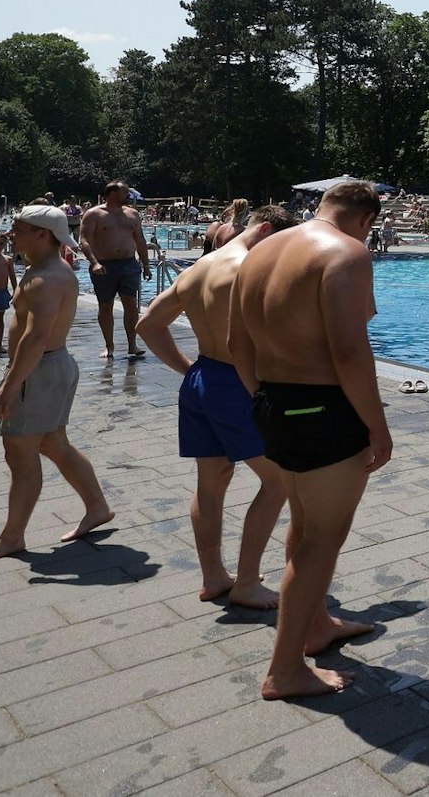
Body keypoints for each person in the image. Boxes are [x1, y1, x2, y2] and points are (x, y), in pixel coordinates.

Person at [232, 179, 390, 700]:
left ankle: (317, 624)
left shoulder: (261, 250)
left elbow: (238, 345)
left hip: (274, 404)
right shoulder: (347, 254)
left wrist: (267, 399)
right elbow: (349, 352)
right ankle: (284, 670)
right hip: (324, 410)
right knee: (322, 538)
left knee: (303, 522)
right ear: (366, 218)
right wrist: (377, 426)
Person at [138, 205, 300, 610]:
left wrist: (188, 370)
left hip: (202, 380)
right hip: (237, 384)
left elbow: (147, 326)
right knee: (279, 481)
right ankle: (246, 582)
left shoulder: (201, 267)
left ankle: (214, 576)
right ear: (264, 230)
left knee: (210, 484)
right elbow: (256, 343)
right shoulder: (250, 270)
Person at [0, 206, 114, 565]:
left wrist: (10, 387)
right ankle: (97, 506)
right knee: (53, 442)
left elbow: (36, 337)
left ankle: (11, 538)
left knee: (19, 452)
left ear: (43, 234)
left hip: (39, 370)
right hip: (46, 368)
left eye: (18, 229)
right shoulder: (40, 268)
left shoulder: (48, 277)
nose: (11, 234)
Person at [81, 181, 150, 359]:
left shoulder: (132, 214)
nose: (128, 195)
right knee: (105, 306)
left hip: (128, 264)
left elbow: (140, 240)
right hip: (104, 265)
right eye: (125, 192)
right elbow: (84, 241)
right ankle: (109, 346)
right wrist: (94, 263)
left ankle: (132, 344)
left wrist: (146, 264)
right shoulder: (94, 214)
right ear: (111, 193)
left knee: (131, 304)